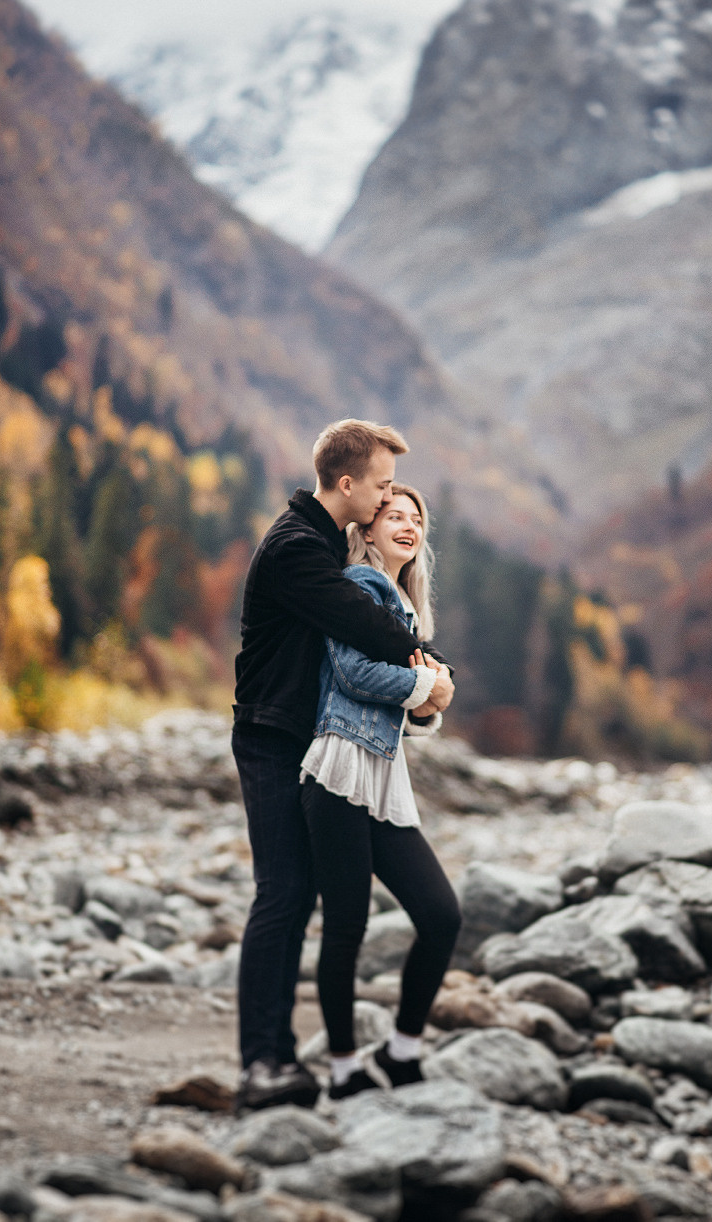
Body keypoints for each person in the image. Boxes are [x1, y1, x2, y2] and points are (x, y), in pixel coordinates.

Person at [232, 420, 454, 1112]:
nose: (391, 498)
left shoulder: (325, 541)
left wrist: (425, 683)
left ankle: (284, 1056)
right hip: (273, 736)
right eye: (384, 487)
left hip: (306, 738)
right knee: (282, 896)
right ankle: (263, 1063)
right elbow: (359, 627)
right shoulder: (298, 548)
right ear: (349, 483)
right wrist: (430, 671)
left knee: (299, 898)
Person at [300, 483, 462, 1098]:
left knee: (441, 915)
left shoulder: (404, 607)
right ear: (367, 530)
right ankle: (345, 1071)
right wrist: (427, 689)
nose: (409, 525)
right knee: (347, 927)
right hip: (340, 770)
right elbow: (351, 672)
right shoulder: (362, 586)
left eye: (417, 519)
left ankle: (401, 1052)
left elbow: (408, 705)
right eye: (394, 515)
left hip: (382, 776)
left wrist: (428, 702)